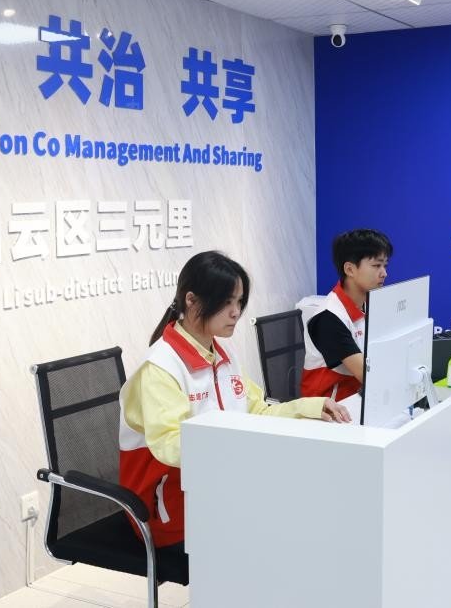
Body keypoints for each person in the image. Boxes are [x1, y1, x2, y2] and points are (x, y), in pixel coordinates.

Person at [119, 250, 350, 549]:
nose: (236, 312)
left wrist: (311, 407)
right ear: (191, 301)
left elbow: (257, 411)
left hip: (218, 488)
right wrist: (236, 449)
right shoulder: (161, 367)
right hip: (170, 509)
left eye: (239, 302)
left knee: (305, 509)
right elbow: (170, 445)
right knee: (284, 526)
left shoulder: (223, 353)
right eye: (226, 302)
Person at [300, 229, 392, 400]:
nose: (384, 273)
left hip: (361, 399)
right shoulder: (328, 318)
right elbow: (369, 376)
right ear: (350, 269)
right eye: (376, 266)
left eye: (385, 265)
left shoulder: (369, 305)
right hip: (330, 409)